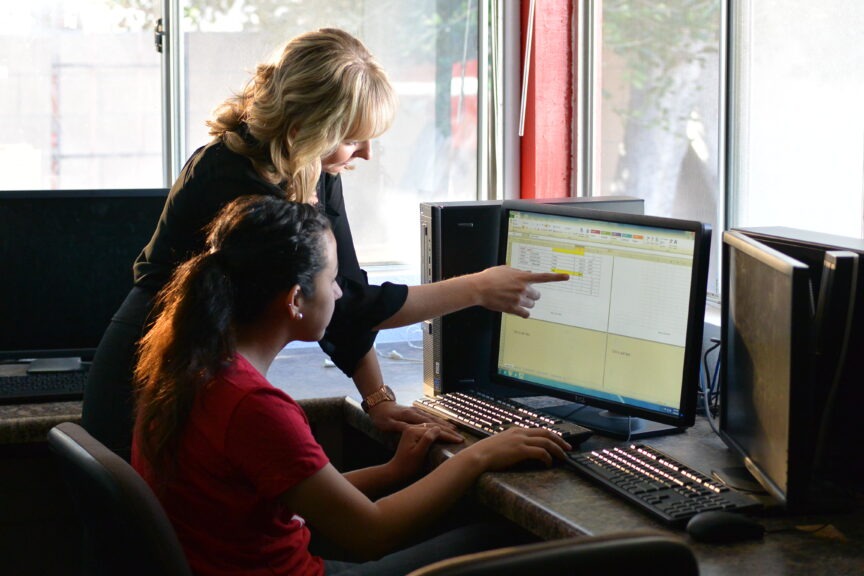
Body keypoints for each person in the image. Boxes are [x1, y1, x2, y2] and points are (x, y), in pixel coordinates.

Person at [83, 27, 567, 460]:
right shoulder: (232, 183)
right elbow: (349, 305)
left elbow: (343, 288)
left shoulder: (311, 166)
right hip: (151, 374)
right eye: (354, 140)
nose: (367, 153)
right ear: (307, 131)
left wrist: (378, 399)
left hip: (200, 371)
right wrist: (478, 288)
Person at [132, 195, 570, 576]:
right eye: (332, 281)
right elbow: (370, 533)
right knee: (500, 541)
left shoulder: (190, 367)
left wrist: (393, 472)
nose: (341, 295)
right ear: (295, 299)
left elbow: (302, 497)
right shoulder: (253, 405)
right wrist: (480, 455)